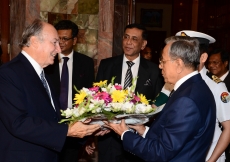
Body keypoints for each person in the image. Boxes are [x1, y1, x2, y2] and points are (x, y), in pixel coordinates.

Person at [0, 19, 100, 162]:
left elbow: (52, 118)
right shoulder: (8, 74)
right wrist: (68, 130)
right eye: (54, 42)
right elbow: (18, 123)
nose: (59, 49)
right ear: (34, 41)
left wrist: (87, 130)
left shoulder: (43, 74)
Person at [105, 35, 216, 161]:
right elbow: (174, 137)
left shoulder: (186, 100)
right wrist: (143, 130)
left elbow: (160, 152)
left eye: (163, 61)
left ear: (179, 64)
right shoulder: (196, 87)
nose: (160, 66)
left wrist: (125, 134)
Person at [152, 31, 230, 162]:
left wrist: (211, 160)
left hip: (208, 156)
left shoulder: (216, 86)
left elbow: (228, 128)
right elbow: (156, 107)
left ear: (203, 57)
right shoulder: (174, 78)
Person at [93, 23, 164, 162]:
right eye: (126, 37)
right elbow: (96, 100)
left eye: (134, 39)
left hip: (138, 138)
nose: (128, 42)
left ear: (143, 44)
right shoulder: (107, 65)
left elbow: (158, 104)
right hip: (109, 137)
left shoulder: (153, 70)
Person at [44, 19, 95, 162]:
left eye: (65, 39)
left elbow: (89, 96)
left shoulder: (86, 63)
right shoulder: (47, 62)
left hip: (75, 125)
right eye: (57, 38)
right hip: (51, 125)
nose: (61, 42)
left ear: (74, 40)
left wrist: (89, 133)